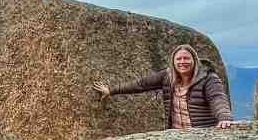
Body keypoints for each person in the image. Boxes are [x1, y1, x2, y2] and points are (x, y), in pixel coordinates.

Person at [92, 43, 234, 129]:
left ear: (194, 60)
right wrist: (111, 90)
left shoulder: (208, 78)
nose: (182, 62)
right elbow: (141, 84)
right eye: (178, 59)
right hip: (176, 135)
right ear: (173, 62)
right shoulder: (167, 76)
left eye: (186, 58)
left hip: (202, 134)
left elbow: (217, 98)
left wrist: (224, 116)